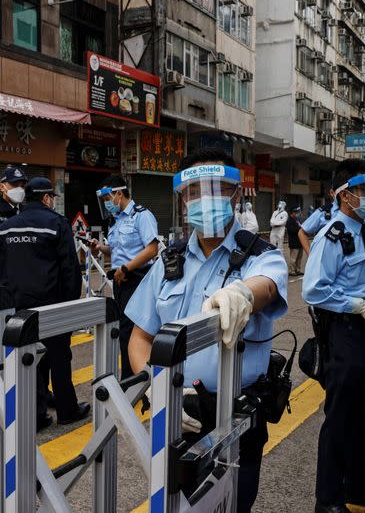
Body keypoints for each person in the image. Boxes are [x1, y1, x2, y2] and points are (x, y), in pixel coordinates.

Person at [126, 148, 288, 512]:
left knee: (233, 505)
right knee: (174, 504)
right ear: (183, 198)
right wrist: (153, 388)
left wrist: (243, 292)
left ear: (235, 193)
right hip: (178, 414)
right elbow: (139, 338)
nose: (205, 199)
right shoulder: (170, 261)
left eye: (216, 188)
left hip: (239, 414)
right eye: (195, 191)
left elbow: (267, 284)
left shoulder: (260, 255)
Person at [303, 159, 365, 513]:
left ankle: (359, 488)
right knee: (340, 419)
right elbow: (314, 290)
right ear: (346, 195)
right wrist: (358, 306)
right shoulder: (332, 235)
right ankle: (327, 498)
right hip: (347, 335)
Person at [0, 177, 90, 429]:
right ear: (47, 198)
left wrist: (6, 299)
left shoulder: (5, 228)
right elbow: (70, 268)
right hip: (52, 303)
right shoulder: (56, 223)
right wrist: (71, 304)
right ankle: (67, 409)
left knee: (28, 358)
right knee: (59, 356)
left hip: (17, 306)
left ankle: (35, 415)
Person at [90, 175, 159, 380]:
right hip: (121, 282)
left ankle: (134, 381)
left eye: (107, 198)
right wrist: (99, 248)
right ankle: (131, 377)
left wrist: (127, 269)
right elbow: (118, 250)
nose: (106, 204)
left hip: (138, 280)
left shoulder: (142, 216)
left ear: (119, 194)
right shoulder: (117, 220)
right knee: (125, 330)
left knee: (134, 332)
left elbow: (152, 249)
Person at [0, 166, 28, 285]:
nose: (19, 189)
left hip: (24, 274)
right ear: (2, 187)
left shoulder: (27, 211)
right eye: (14, 185)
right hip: (0, 275)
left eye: (22, 186)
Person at [286, 206, 305, 276]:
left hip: (300, 242)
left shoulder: (297, 220)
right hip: (294, 242)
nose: (297, 213)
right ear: (292, 213)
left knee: (299, 258)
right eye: (296, 212)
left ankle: (298, 269)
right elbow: (292, 230)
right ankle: (292, 270)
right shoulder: (289, 221)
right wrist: (300, 229)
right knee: (293, 258)